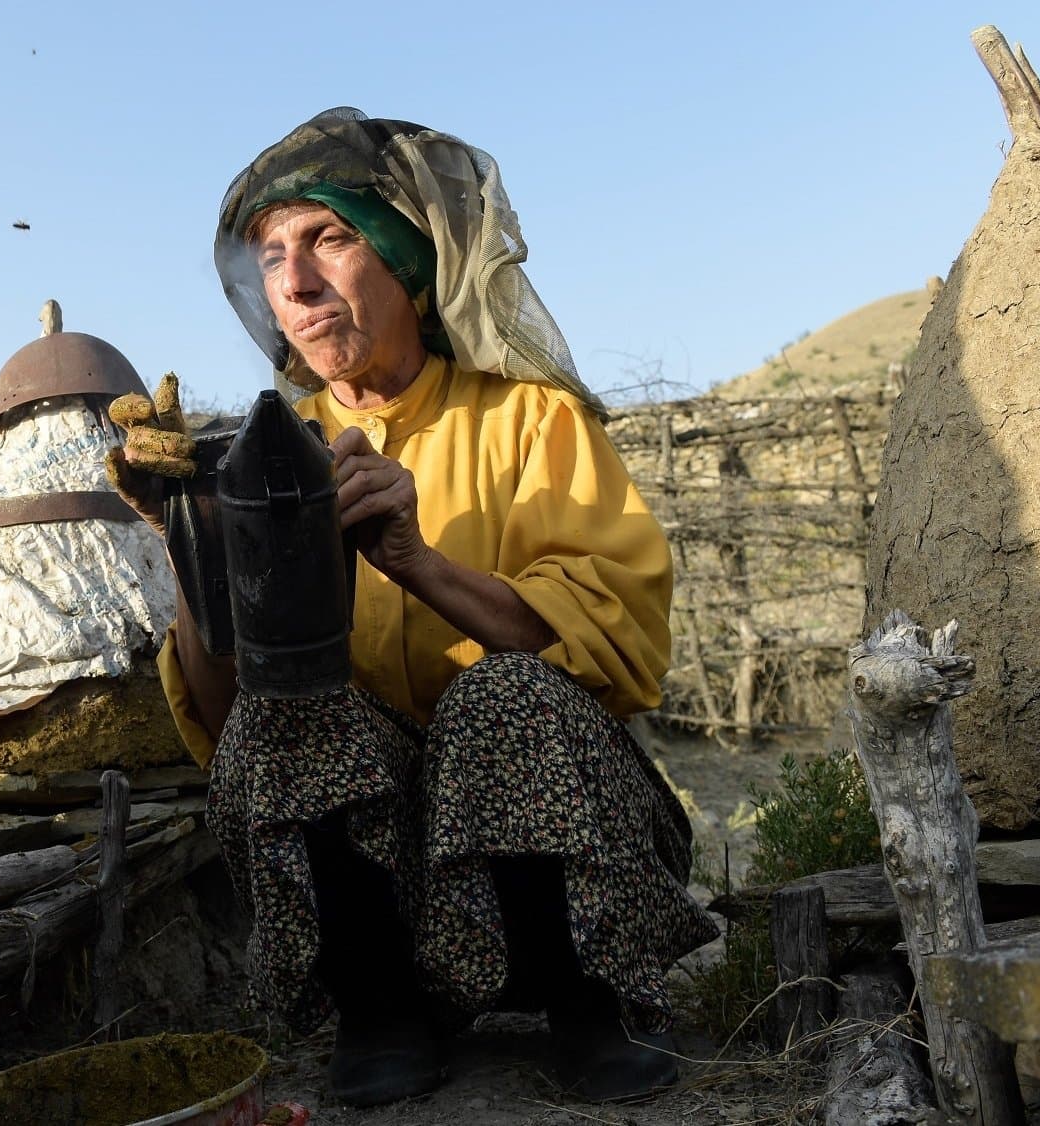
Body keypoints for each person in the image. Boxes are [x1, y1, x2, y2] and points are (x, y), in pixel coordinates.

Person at [108, 108, 718, 1107]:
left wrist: (413, 560)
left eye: (329, 239)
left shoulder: (529, 420)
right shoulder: (268, 454)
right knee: (289, 710)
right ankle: (380, 1007)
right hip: (390, 889)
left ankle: (582, 1003)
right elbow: (227, 728)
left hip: (567, 861)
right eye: (270, 258)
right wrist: (192, 544)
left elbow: (614, 647)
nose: (295, 283)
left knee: (500, 695)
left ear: (405, 260)